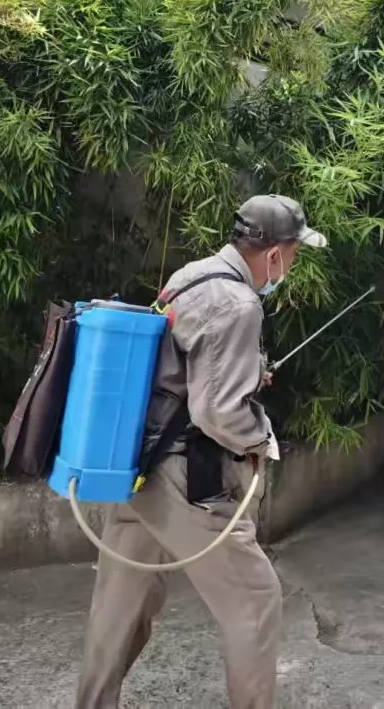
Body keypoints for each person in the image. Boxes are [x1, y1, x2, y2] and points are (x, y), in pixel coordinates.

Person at [76, 194, 326, 709]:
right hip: (182, 477)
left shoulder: (191, 275)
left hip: (137, 462)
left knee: (122, 605)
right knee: (255, 600)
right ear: (273, 253)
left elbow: (184, 368)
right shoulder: (239, 304)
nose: (293, 262)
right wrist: (260, 437)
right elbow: (218, 413)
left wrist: (248, 373)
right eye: (294, 252)